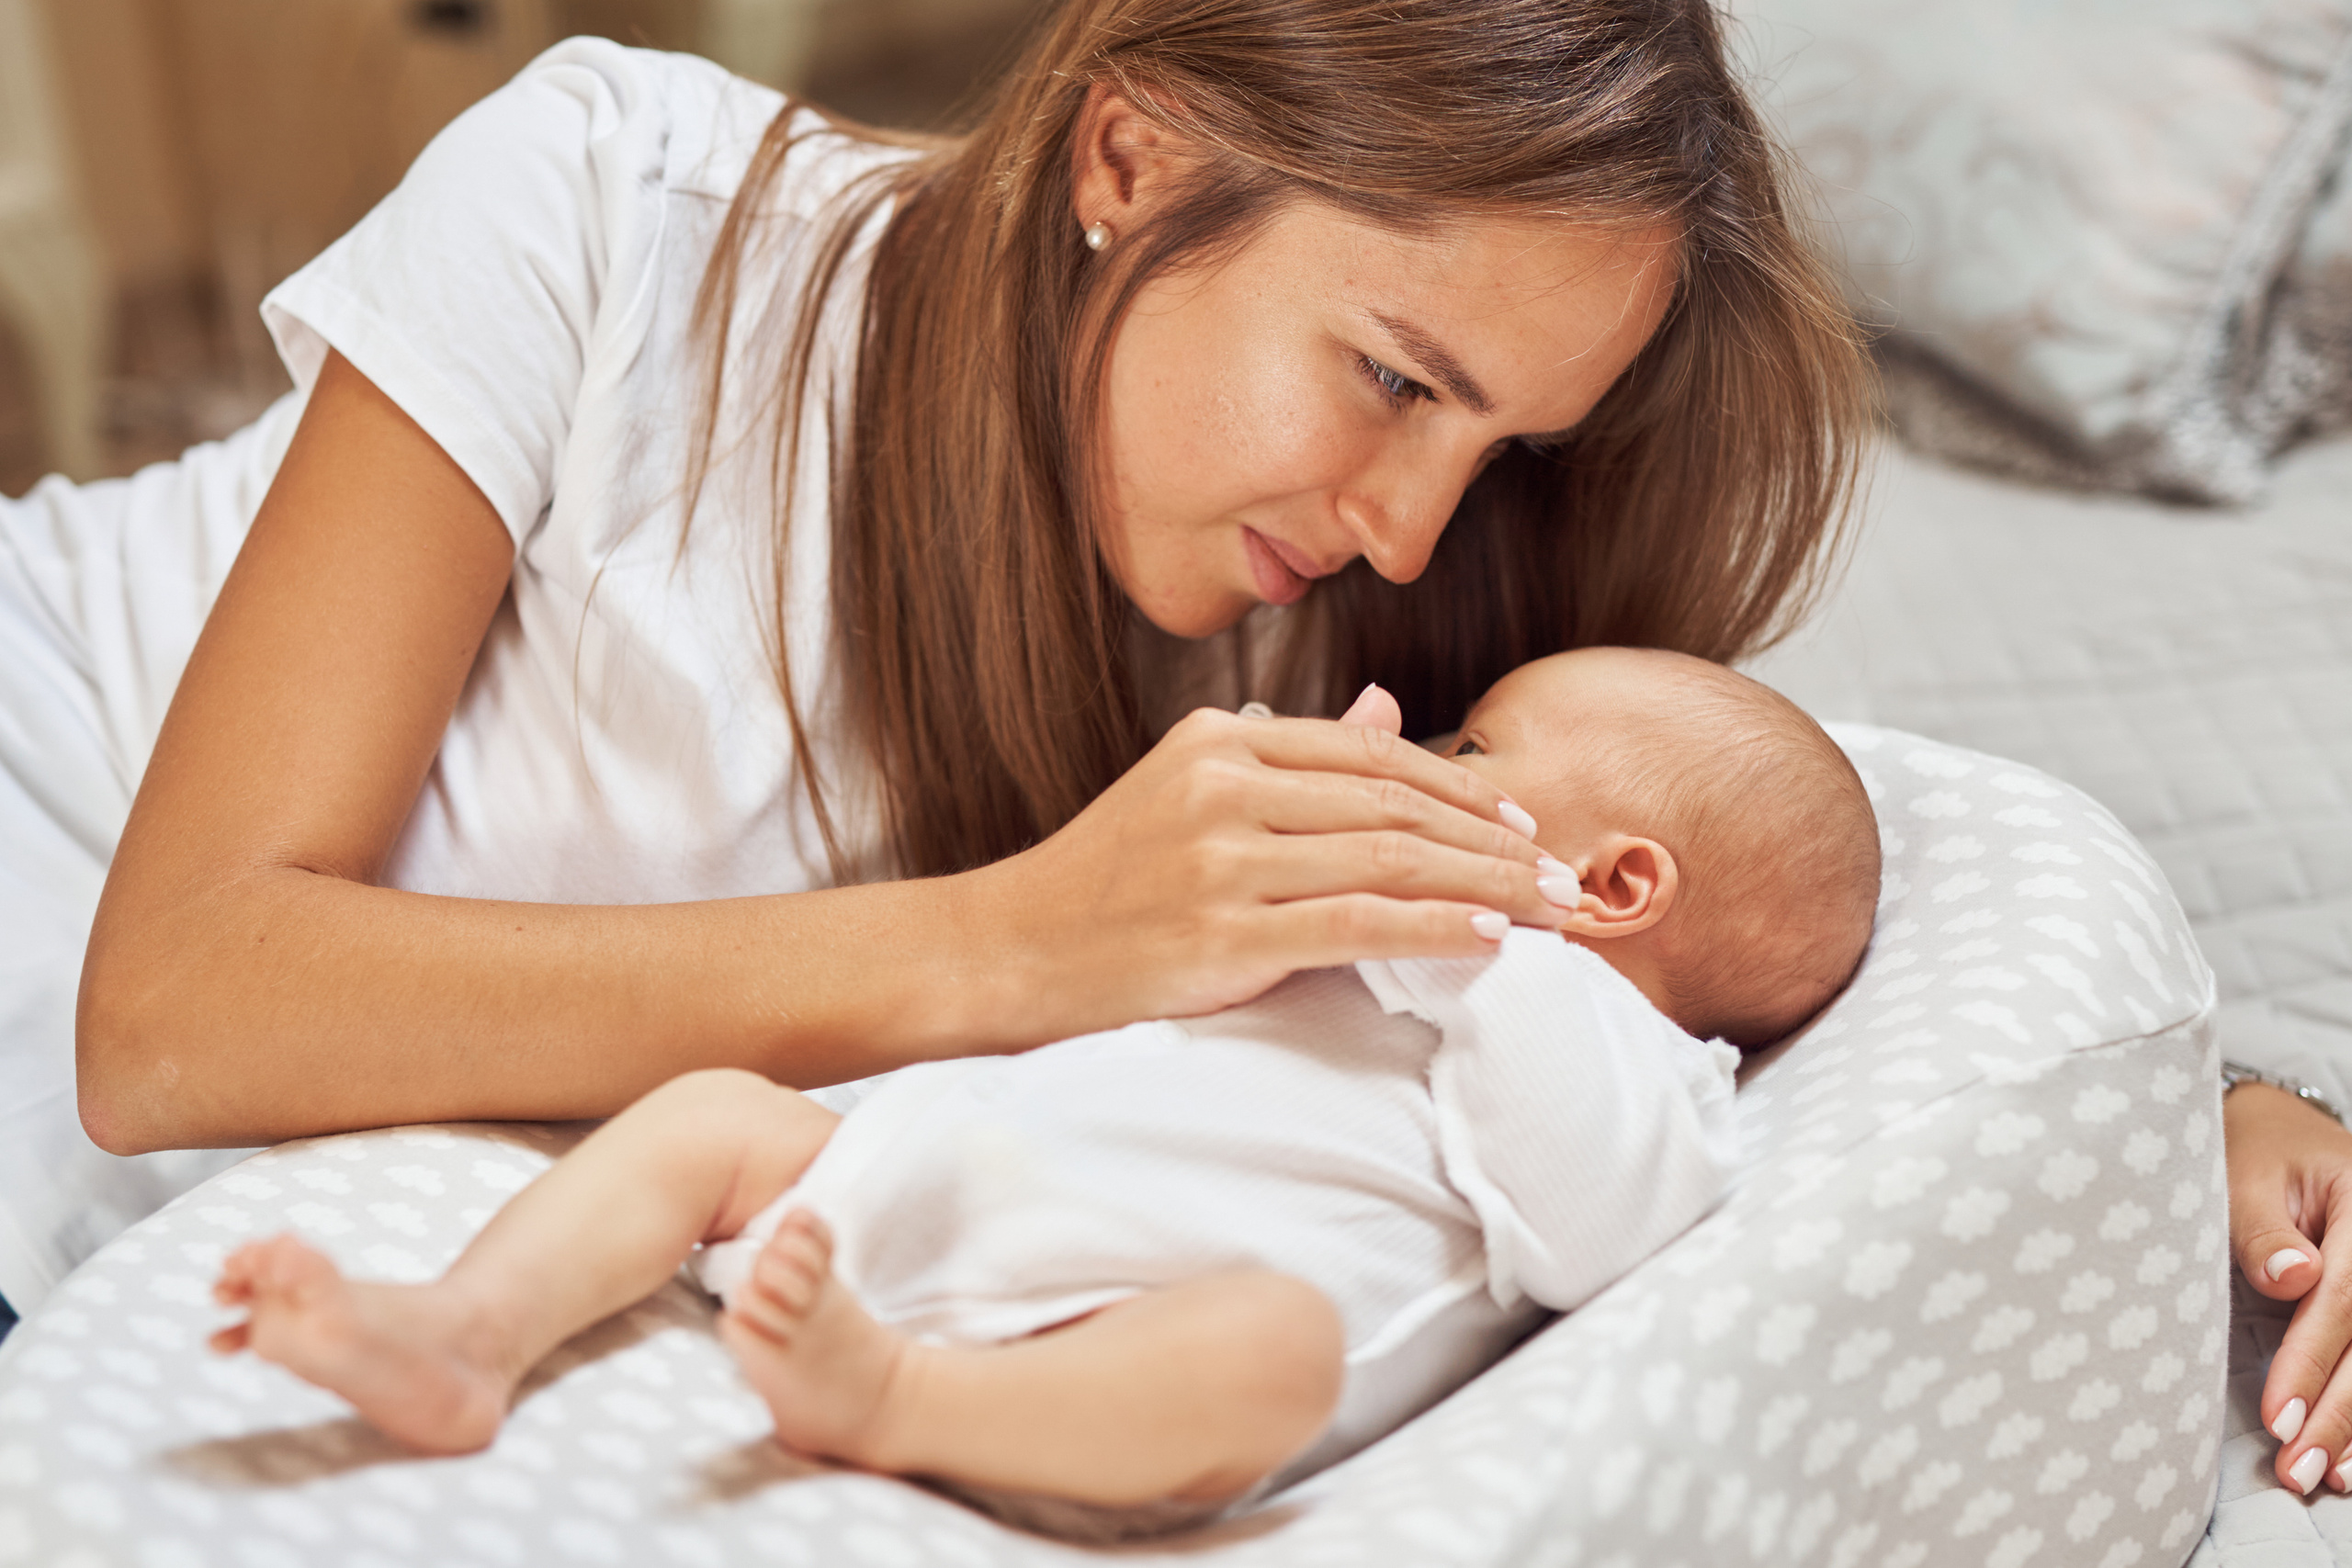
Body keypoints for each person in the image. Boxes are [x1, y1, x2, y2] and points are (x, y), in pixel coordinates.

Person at [0, 0, 1873, 1323]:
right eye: (1391, 377)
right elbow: (171, 1014)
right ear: (1130, 157)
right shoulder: (612, 208)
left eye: (1504, 446)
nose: (1404, 528)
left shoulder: (1409, 626)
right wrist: (1019, 940)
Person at [205, 648, 1882, 1537]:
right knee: (714, 1115)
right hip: (926, 1185)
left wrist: (1471, 941)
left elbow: (1598, 1230)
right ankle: (466, 1333)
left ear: (1617, 886)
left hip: (1124, 1345)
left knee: (1277, 1348)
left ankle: (896, 1400)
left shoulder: (1628, 1060)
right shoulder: (1369, 944)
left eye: (1469, 757)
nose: (1428, 762)